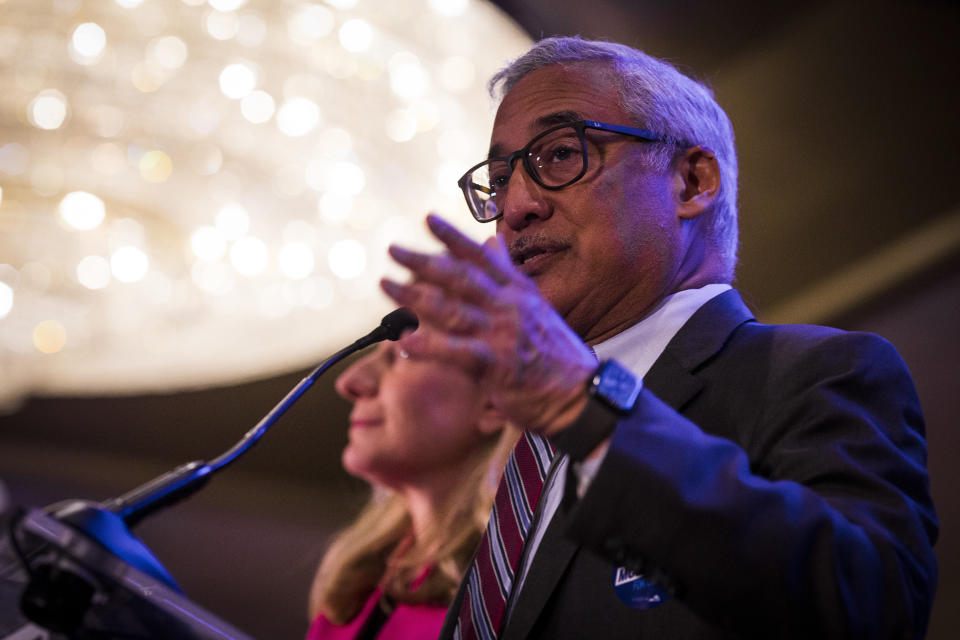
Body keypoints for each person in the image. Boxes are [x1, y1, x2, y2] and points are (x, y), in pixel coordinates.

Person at [378, 37, 938, 639]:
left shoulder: (817, 371)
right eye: (499, 177)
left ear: (692, 182)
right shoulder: (530, 457)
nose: (515, 206)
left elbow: (870, 608)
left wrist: (579, 405)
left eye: (560, 154)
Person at [305, 341, 517, 640]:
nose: (350, 381)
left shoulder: (511, 586)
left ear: (494, 402)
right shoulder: (360, 574)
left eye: (404, 353)